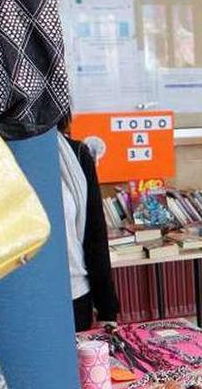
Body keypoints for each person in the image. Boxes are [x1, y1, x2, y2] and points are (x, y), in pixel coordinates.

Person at [57, 116, 120, 332]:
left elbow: (95, 236)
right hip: (16, 300)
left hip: (74, 296)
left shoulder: (76, 155)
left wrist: (107, 310)